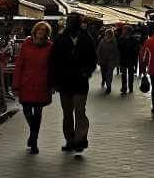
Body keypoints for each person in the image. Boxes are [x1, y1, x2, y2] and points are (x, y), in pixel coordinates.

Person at [49, 13, 97, 152]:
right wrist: (55, 81)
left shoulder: (86, 37)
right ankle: (70, 140)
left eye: (73, 21)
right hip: (64, 82)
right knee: (67, 113)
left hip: (80, 81)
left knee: (80, 111)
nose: (71, 24)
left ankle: (80, 138)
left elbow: (93, 58)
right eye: (69, 21)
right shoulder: (61, 38)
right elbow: (54, 60)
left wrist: (87, 72)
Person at [13, 21, 54, 154]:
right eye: (39, 29)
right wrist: (16, 84)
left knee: (38, 113)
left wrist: (53, 84)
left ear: (47, 33)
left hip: (42, 84)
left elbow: (53, 67)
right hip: (26, 83)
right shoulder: (26, 45)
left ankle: (34, 141)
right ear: (35, 31)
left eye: (44, 30)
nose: (41, 31)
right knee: (26, 110)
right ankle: (33, 132)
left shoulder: (50, 47)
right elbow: (19, 65)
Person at [117, 25, 140, 95]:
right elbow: (118, 49)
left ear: (129, 31)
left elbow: (137, 50)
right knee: (123, 75)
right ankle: (124, 88)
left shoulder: (134, 40)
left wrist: (135, 58)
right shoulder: (120, 39)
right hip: (123, 59)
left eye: (124, 30)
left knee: (130, 75)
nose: (123, 31)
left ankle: (130, 87)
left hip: (131, 59)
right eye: (123, 30)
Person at [96, 28, 119, 94]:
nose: (107, 35)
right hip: (103, 60)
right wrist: (98, 59)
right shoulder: (102, 41)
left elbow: (116, 52)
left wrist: (117, 62)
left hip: (111, 61)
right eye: (107, 34)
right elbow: (99, 50)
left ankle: (109, 87)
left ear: (111, 35)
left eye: (109, 34)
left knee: (109, 74)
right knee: (104, 73)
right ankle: (103, 80)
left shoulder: (115, 42)